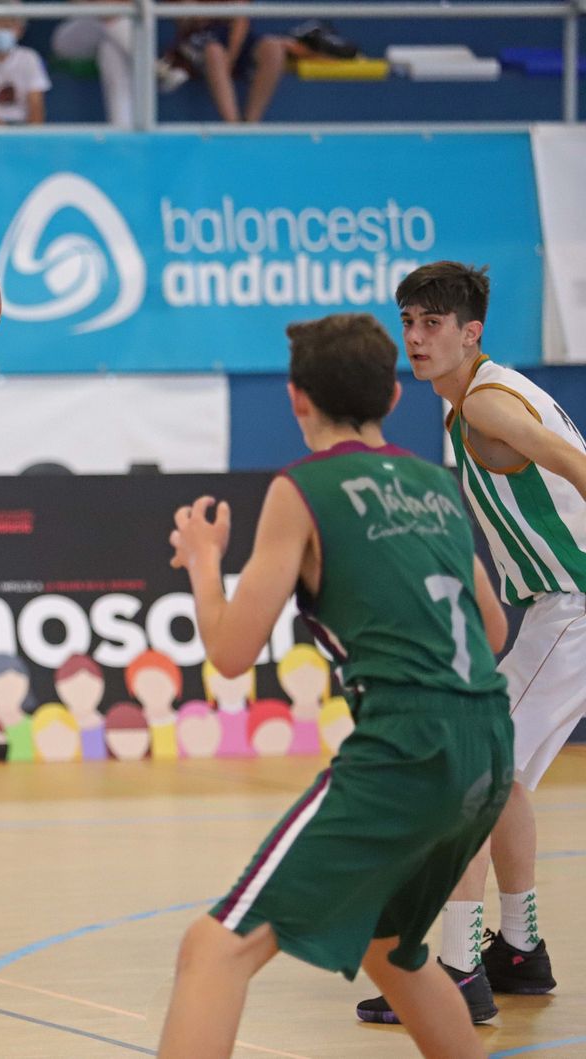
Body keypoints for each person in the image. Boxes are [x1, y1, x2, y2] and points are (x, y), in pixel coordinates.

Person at [158, 312, 513, 1059]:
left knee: (213, 949)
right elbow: (493, 632)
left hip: (406, 746)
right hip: (488, 746)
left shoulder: (302, 488)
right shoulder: (436, 482)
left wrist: (203, 562)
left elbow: (230, 654)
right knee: (391, 949)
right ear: (393, 393)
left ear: (297, 399)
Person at [354, 261, 580, 1023]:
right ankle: (518, 948)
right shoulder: (471, 402)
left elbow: (572, 461)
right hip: (557, 611)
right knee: (500, 779)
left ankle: (455, 971)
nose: (415, 338)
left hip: (576, 609)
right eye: (408, 322)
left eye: (432, 324)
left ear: (471, 332)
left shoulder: (485, 399)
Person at [161, 0, 288, 123]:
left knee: (273, 48)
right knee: (214, 51)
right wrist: (221, 11)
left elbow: (241, 18)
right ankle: (233, 125)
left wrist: (231, 57)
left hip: (236, 40)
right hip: (200, 40)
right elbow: (187, 18)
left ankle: (250, 124)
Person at [50, 1, 134, 126]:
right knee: (111, 21)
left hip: (115, 31)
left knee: (109, 50)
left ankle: (122, 126)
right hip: (77, 31)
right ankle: (151, 67)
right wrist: (105, 7)